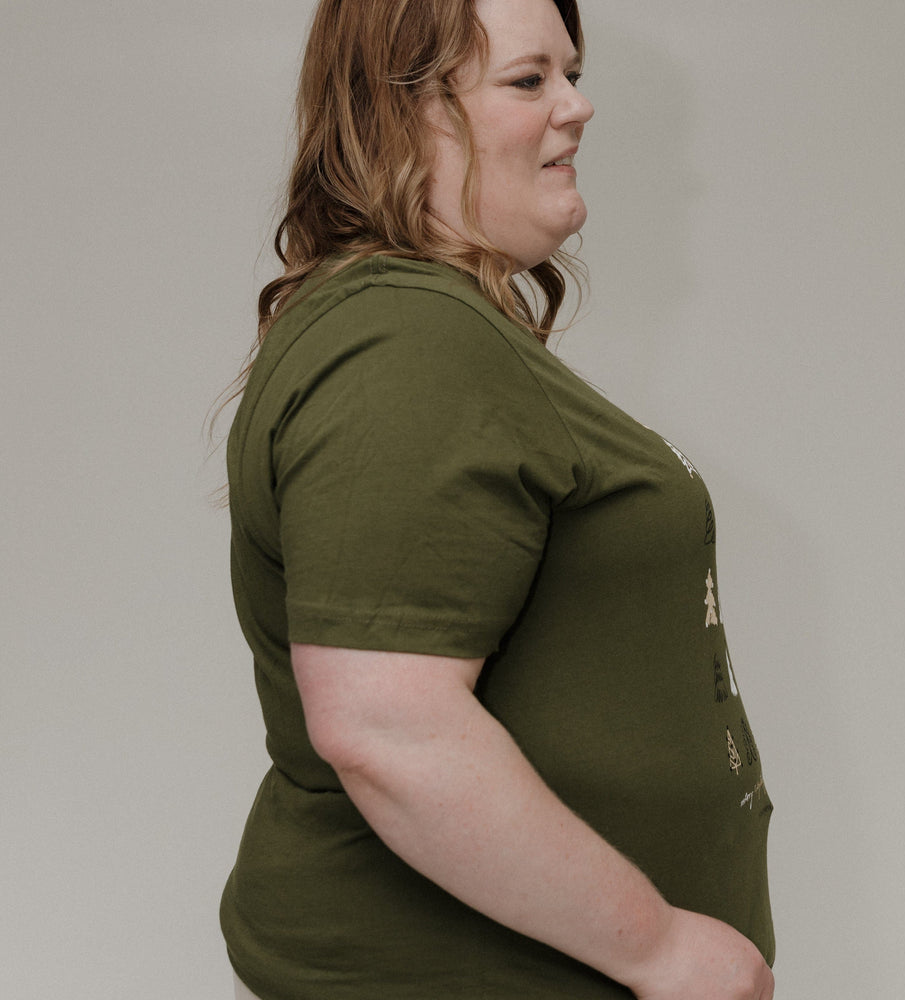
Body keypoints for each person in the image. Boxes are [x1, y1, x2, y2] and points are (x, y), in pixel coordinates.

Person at [220, 1, 776, 998]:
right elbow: (388, 726)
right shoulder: (405, 346)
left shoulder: (422, 332)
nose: (578, 105)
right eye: (529, 81)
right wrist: (655, 947)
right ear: (404, 115)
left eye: (571, 72)